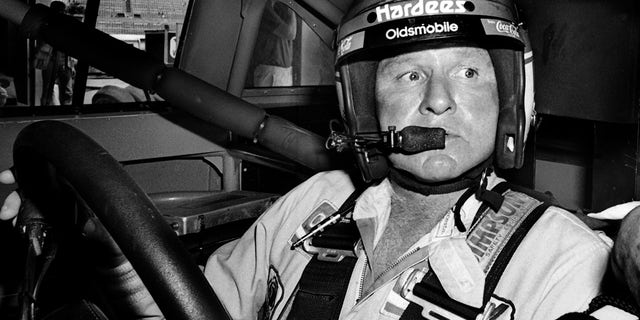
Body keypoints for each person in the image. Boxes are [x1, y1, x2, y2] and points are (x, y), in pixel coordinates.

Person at [1, 0, 638, 319]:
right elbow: (191, 304)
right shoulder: (317, 205)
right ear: (367, 107)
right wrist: (103, 242)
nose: (438, 103)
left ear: (507, 99)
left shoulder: (564, 259)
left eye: (469, 73)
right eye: (407, 76)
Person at [34, 0, 75, 106]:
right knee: (48, 90)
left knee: (67, 91)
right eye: (60, 11)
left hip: (64, 61)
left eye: (63, 11)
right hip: (50, 59)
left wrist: (71, 64)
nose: (62, 13)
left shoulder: (65, 25)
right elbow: (42, 42)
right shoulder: (45, 23)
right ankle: (45, 110)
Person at [252, 0, 297, 87]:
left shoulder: (280, 5)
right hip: (271, 72)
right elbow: (290, 33)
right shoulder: (264, 6)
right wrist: (292, 7)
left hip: (282, 71)